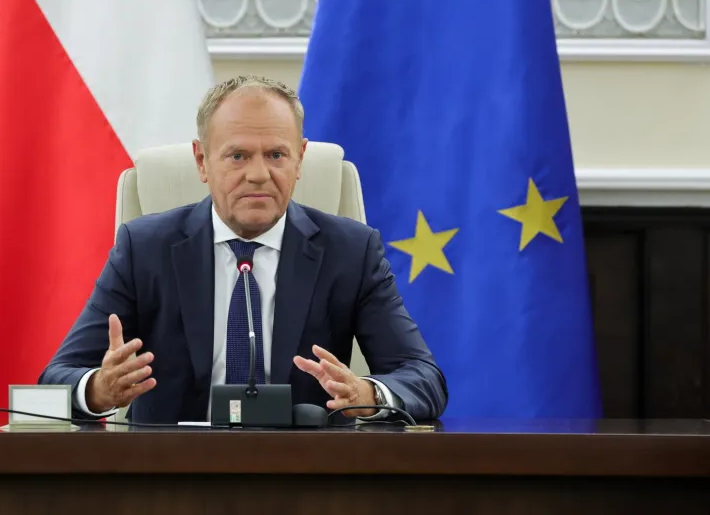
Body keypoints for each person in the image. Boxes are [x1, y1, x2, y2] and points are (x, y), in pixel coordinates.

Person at [38, 75, 447, 424]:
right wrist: (96, 390)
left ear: (300, 160)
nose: (258, 174)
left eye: (276, 155)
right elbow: (54, 380)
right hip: (171, 481)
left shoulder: (351, 252)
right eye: (238, 156)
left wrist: (367, 394)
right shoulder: (145, 249)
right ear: (202, 162)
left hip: (307, 480)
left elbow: (424, 379)